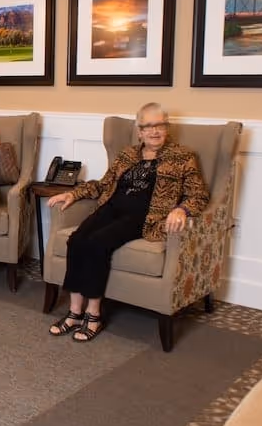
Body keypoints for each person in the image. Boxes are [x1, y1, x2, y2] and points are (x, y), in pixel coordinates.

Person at [46, 102, 209, 342]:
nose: (155, 131)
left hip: (142, 217)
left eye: (160, 125)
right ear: (139, 131)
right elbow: (103, 185)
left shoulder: (182, 157)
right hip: (111, 208)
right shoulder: (127, 155)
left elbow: (199, 194)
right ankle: (74, 312)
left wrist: (182, 209)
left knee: (97, 243)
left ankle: (93, 315)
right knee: (77, 240)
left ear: (167, 127)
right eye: (149, 126)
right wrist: (73, 194)